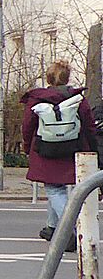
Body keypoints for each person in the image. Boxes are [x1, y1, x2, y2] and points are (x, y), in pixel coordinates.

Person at [22, 60, 100, 245]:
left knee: (53, 188)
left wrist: (27, 147)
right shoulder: (77, 99)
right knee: (59, 187)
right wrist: (92, 149)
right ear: (67, 78)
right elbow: (89, 126)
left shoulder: (37, 99)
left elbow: (27, 126)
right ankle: (52, 227)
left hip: (45, 150)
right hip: (72, 148)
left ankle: (68, 231)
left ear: (48, 78)